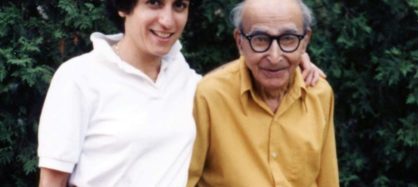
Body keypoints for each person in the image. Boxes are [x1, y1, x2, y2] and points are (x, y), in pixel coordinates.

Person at [37, 0, 323, 186]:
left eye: (179, 6)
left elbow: (256, 74)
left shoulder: (194, 86)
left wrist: (292, 60)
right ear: (124, 7)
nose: (168, 20)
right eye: (154, 3)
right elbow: (51, 181)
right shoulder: (79, 78)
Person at [187, 0, 339, 186]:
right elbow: (185, 180)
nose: (274, 57)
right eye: (260, 39)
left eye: (288, 39)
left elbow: (327, 180)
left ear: (304, 41)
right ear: (240, 42)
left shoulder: (319, 93)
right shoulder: (210, 95)